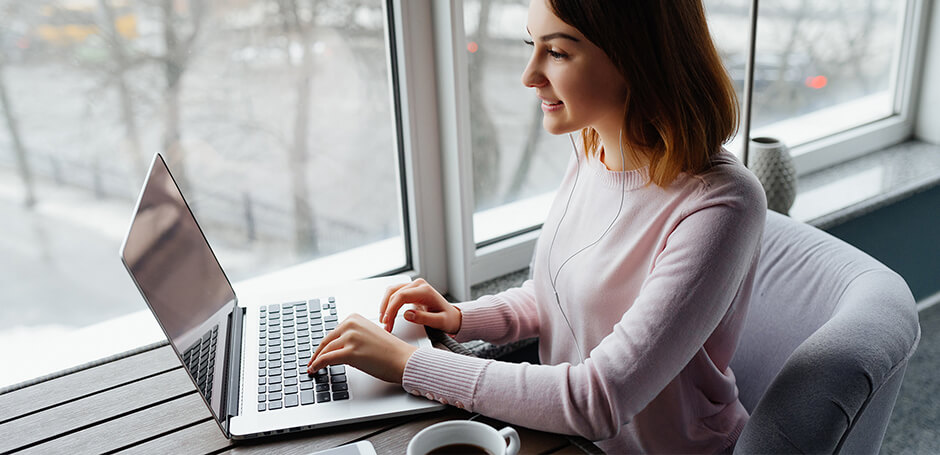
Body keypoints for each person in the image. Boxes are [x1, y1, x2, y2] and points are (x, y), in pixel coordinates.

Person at [307, 0, 767, 452]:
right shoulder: (592, 150)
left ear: (639, 56)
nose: (529, 76)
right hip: (570, 440)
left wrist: (409, 363)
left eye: (558, 52)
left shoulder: (723, 205)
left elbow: (599, 399)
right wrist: (461, 317)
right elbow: (556, 293)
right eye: (531, 43)